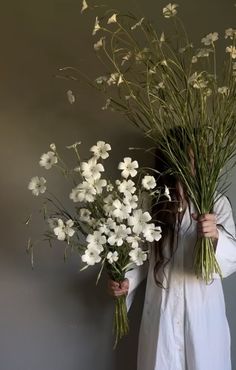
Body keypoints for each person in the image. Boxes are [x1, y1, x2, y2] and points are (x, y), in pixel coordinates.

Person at [108, 134, 236, 370]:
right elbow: (143, 256)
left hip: (203, 315)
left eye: (197, 158)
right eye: (186, 158)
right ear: (170, 159)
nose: (193, 165)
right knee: (162, 359)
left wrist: (216, 235)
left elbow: (232, 259)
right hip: (162, 313)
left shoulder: (216, 203)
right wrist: (127, 281)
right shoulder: (151, 203)